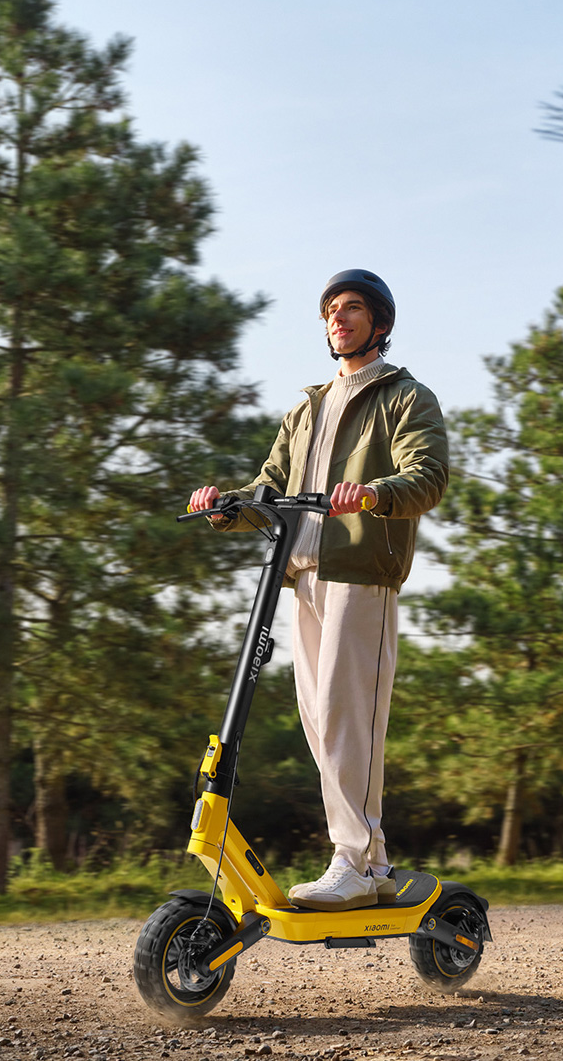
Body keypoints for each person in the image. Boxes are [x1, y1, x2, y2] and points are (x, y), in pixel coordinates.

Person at [187, 269, 448, 911]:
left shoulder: (405, 398)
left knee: (344, 715)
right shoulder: (306, 409)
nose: (338, 318)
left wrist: (374, 494)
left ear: (379, 323)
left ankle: (354, 863)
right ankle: (370, 863)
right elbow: (269, 487)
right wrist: (224, 505)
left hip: (361, 572)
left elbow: (428, 476)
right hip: (301, 575)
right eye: (331, 309)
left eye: (352, 307)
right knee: (320, 722)